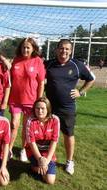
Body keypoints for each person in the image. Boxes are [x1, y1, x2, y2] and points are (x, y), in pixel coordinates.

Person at [45, 39, 95, 175]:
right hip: (49, 107)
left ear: (71, 51)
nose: (64, 51)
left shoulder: (77, 65)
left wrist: (81, 91)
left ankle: (69, 161)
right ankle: (49, 158)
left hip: (67, 108)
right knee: (48, 134)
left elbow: (91, 79)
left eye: (67, 49)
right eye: (61, 48)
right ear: (56, 49)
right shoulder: (49, 64)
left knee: (68, 134)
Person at [8, 37, 46, 161]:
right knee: (14, 124)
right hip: (15, 99)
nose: (25, 49)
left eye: (28, 47)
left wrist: (39, 100)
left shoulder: (38, 61)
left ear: (33, 48)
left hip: (31, 100)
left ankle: (24, 149)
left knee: (26, 127)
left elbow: (41, 83)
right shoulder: (16, 60)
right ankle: (9, 149)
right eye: (23, 47)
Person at [25, 97, 60, 184]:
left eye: (43, 108)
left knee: (50, 181)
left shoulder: (55, 120)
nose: (40, 111)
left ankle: (36, 168)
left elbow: (54, 142)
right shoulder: (30, 121)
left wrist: (46, 161)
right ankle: (34, 166)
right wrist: (40, 159)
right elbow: (32, 143)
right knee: (47, 177)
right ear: (34, 109)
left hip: (48, 153)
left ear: (48, 109)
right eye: (37, 108)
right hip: (34, 152)